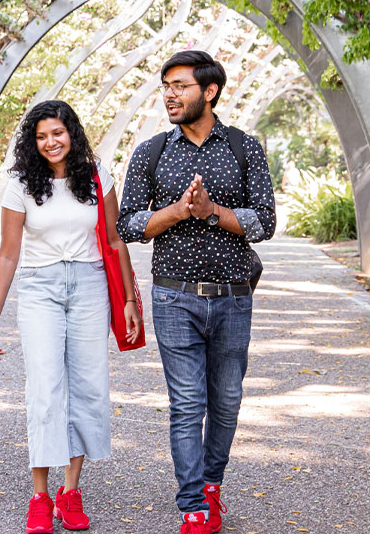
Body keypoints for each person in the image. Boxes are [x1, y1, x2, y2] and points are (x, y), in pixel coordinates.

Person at [115, 51, 276, 534]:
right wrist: (177, 212)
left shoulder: (245, 149)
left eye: (180, 85)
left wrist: (212, 211)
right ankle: (193, 505)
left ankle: (212, 484)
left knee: (226, 400)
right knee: (187, 403)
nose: (169, 93)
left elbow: (264, 222)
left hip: (232, 297)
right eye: (166, 85)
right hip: (173, 297)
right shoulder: (152, 152)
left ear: (209, 92)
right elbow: (128, 224)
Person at [0, 100, 142, 534]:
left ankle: (70, 491)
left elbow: (116, 240)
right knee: (45, 389)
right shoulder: (19, 183)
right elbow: (8, 254)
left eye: (58, 132)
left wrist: (127, 299)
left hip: (89, 286)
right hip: (40, 288)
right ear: (33, 142)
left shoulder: (96, 174)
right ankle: (39, 496)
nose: (51, 142)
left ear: (72, 132)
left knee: (88, 386)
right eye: (41, 136)